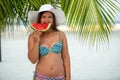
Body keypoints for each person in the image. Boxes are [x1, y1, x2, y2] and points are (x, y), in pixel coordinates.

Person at [27, 4, 71, 80]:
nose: (47, 20)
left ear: (53, 19)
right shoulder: (32, 36)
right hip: (40, 77)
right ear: (39, 19)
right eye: (43, 17)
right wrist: (36, 42)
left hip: (60, 77)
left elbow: (66, 57)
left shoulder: (61, 35)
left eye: (50, 17)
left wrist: (68, 77)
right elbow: (33, 60)